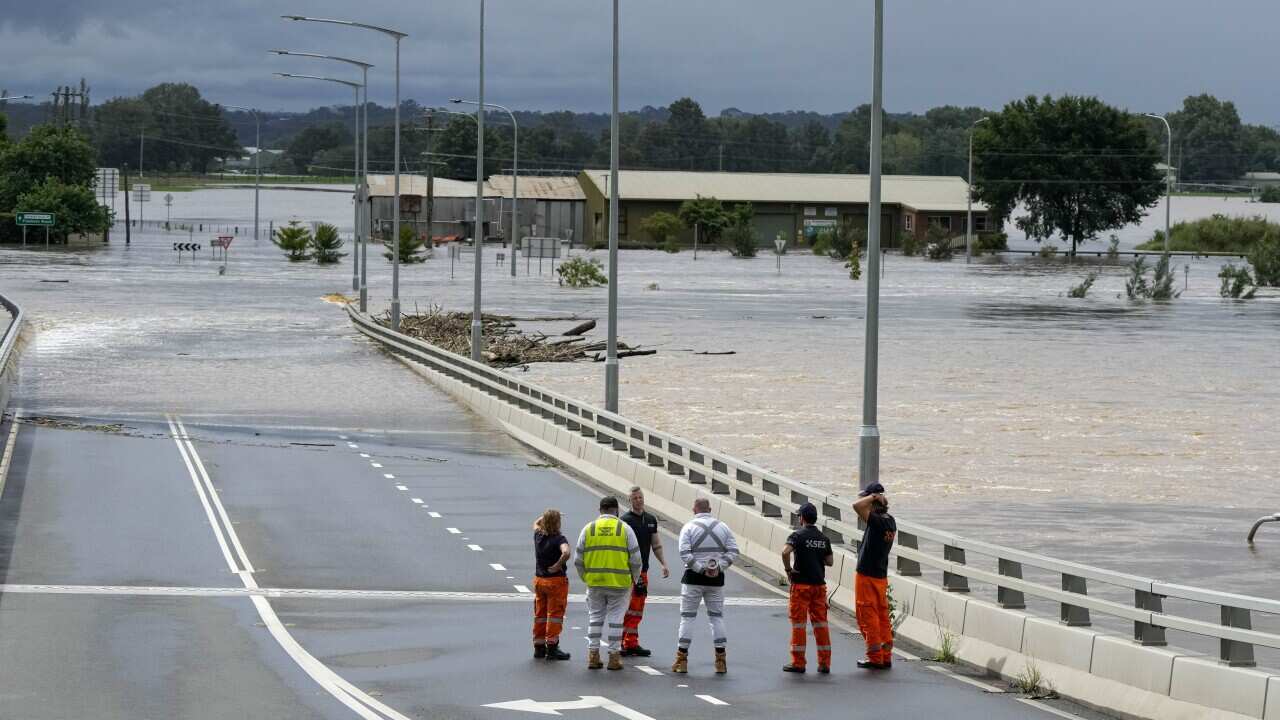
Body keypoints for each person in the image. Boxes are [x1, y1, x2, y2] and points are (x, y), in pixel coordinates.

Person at [574, 495, 642, 671]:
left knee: (595, 618)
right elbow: (636, 559)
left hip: (595, 583)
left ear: (600, 510)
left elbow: (578, 560)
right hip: (619, 584)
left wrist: (586, 578)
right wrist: (634, 578)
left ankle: (593, 655)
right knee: (616, 620)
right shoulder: (624, 529)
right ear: (617, 510)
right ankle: (613, 657)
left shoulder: (588, 529)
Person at [673, 497, 739, 675]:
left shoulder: (688, 527)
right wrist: (719, 567)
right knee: (716, 618)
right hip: (716, 580)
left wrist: (701, 569)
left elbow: (684, 553)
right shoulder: (723, 527)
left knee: (687, 618)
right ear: (710, 509)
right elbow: (734, 550)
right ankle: (721, 661)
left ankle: (681, 660)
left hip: (693, 579)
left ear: (694, 510)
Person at [782, 502, 834, 674]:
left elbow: (785, 552)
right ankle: (824, 663)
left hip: (801, 586)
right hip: (819, 586)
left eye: (798, 516)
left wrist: (789, 570)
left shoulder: (797, 536)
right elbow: (830, 562)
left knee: (799, 625)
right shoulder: (823, 538)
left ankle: (798, 663)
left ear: (802, 518)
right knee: (821, 625)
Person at [620, 486, 670, 658]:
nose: (638, 501)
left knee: (637, 608)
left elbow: (655, 544)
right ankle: (628, 643)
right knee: (630, 608)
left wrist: (663, 563)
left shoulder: (650, 519)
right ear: (630, 500)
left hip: (643, 571)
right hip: (629, 572)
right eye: (635, 498)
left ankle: (628, 641)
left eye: (640, 497)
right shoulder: (625, 520)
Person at [853, 482, 896, 670]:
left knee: (867, 615)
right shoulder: (890, 520)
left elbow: (856, 506)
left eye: (868, 498)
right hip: (880, 575)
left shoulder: (877, 521)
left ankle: (874, 657)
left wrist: (875, 497)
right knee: (881, 616)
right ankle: (885, 655)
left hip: (867, 575)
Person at [532, 509, 572, 661]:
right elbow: (566, 552)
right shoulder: (559, 539)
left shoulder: (538, 536)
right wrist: (558, 565)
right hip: (555, 582)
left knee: (540, 614)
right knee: (555, 615)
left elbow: (535, 523)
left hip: (539, 580)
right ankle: (552, 646)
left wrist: (545, 517)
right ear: (557, 523)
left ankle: (539, 646)